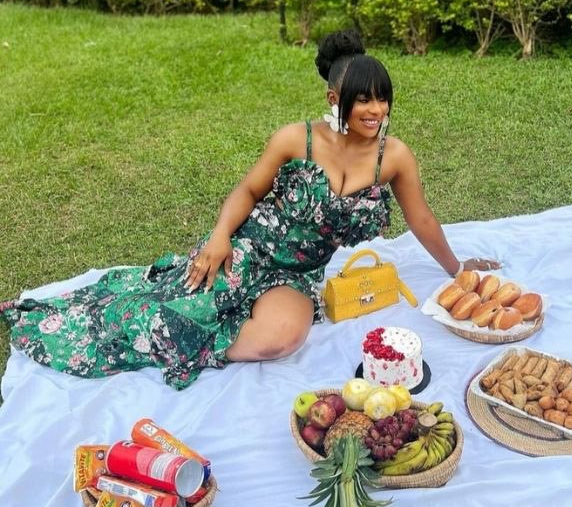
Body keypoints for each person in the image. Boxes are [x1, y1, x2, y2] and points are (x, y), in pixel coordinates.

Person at [0, 31, 498, 391]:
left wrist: (458, 271)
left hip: (296, 275)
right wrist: (219, 238)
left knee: (281, 340)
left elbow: (422, 220)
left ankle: (185, 341)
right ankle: (154, 327)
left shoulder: (396, 156)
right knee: (179, 305)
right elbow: (247, 190)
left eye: (383, 100)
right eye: (362, 99)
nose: (375, 111)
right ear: (334, 99)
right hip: (248, 247)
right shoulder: (295, 138)